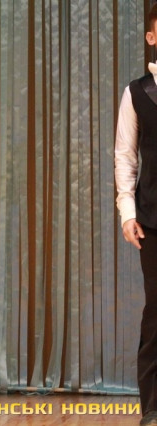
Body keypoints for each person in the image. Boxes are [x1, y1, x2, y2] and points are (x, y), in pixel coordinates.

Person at [115, 5, 157, 425]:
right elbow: (125, 156)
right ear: (152, 37)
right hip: (153, 219)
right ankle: (152, 406)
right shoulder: (137, 92)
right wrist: (128, 211)